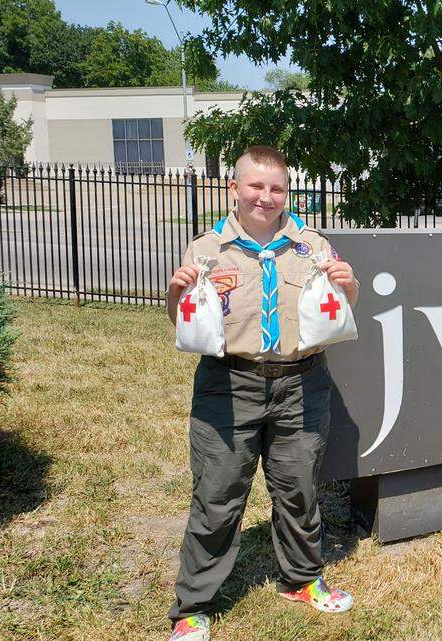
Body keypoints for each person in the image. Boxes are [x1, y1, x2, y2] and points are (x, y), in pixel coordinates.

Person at [165, 146, 359, 641]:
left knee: (299, 489)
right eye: (255, 186)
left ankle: (301, 579)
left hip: (302, 382)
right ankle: (194, 605)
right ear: (234, 188)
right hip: (229, 383)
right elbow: (185, 323)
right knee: (217, 494)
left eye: (276, 188)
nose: (266, 197)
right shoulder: (206, 249)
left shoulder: (311, 244)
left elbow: (340, 307)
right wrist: (175, 295)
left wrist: (348, 284)